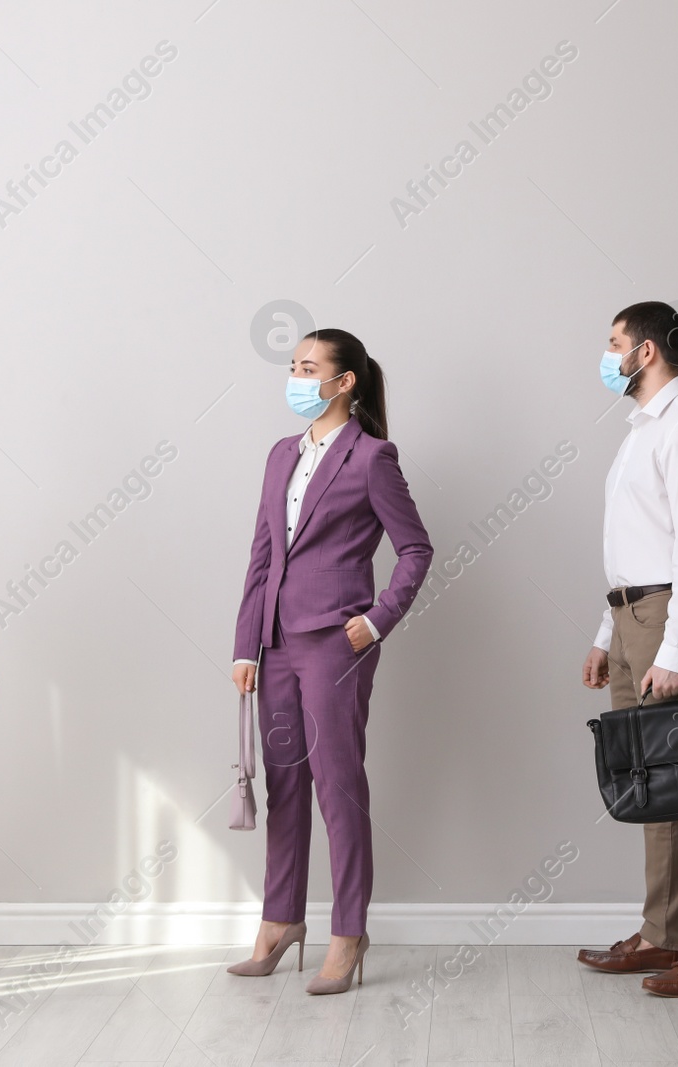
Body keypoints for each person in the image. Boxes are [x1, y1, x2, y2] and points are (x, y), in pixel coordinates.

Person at [227, 328, 433, 994]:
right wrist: (244, 644)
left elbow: (416, 549)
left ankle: (349, 933)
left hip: (335, 643)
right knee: (285, 786)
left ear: (344, 382)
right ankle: (279, 921)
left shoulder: (373, 458)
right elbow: (262, 555)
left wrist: (375, 622)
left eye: (308, 367)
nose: (295, 376)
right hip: (276, 644)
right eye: (293, 366)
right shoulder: (277, 454)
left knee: (337, 789)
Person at [576, 301, 678, 997]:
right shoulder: (641, 428)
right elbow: (636, 544)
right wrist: (606, 634)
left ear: (645, 351)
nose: (605, 354)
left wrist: (676, 649)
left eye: (613, 342)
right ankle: (662, 934)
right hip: (634, 619)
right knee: (652, 784)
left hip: (672, 619)